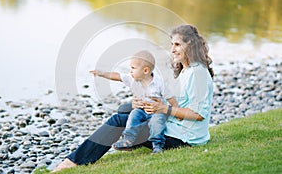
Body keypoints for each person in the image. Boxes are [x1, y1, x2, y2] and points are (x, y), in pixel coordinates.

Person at [52, 24, 214, 172]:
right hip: (175, 127)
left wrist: (163, 108)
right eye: (172, 44)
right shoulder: (186, 70)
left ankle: (74, 161)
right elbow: (177, 102)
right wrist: (145, 103)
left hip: (184, 138)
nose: (172, 49)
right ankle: (125, 141)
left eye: (177, 44)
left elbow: (198, 115)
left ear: (190, 45)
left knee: (119, 120)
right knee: (126, 108)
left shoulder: (197, 73)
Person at [89, 50, 178, 154]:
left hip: (156, 111)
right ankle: (128, 140)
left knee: (156, 123)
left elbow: (170, 97)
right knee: (133, 116)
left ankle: (157, 145)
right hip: (141, 109)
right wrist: (102, 74)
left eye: (133, 68)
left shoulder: (159, 83)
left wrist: (176, 110)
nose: (130, 71)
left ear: (145, 70)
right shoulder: (132, 79)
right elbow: (117, 76)